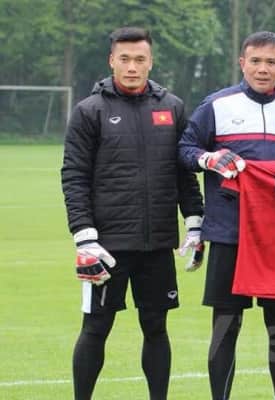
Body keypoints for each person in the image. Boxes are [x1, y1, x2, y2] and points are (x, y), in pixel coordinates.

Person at [61, 27, 204, 400]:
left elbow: (183, 172)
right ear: (111, 60)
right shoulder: (89, 111)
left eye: (140, 59)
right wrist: (84, 236)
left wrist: (194, 222)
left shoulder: (171, 107)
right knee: (96, 327)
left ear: (150, 62)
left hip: (157, 244)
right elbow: (74, 176)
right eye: (124, 59)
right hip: (106, 246)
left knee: (156, 327)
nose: (132, 67)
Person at [178, 31, 275, 400]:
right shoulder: (217, 105)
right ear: (242, 63)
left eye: (271, 62)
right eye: (255, 61)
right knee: (225, 325)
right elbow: (184, 148)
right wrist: (209, 158)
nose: (263, 69)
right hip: (228, 232)